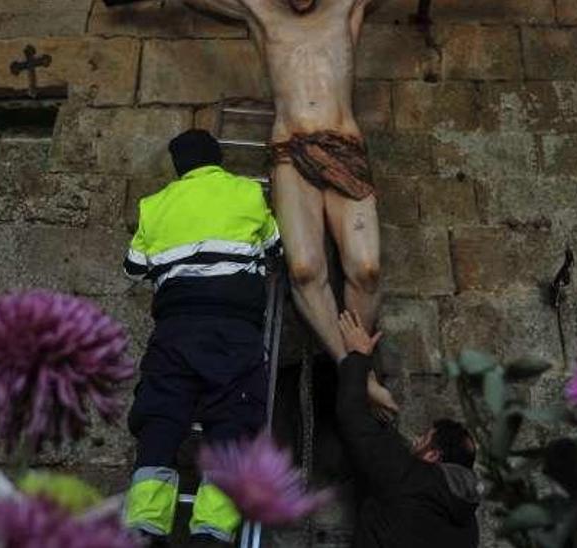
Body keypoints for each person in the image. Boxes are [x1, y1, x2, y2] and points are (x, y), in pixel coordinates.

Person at [177, 0, 399, 418]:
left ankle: (356, 371)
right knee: (303, 270)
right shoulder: (260, 10)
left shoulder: (344, 7)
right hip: (288, 152)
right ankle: (358, 378)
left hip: (344, 145)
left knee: (367, 268)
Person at [122, 129, 280, 546]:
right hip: (235, 333)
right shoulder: (248, 194)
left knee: (160, 419)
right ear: (218, 158)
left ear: (178, 167)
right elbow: (275, 248)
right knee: (232, 422)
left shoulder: (153, 206)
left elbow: (134, 267)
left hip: (175, 333)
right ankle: (210, 533)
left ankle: (145, 526)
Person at [335, 310, 482, 548]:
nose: (415, 441)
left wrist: (358, 356)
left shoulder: (409, 477)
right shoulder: (468, 528)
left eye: (424, 438)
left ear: (433, 455)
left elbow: (352, 417)